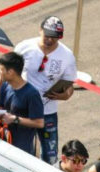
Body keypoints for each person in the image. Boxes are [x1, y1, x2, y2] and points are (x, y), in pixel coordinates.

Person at [7, 15, 76, 164]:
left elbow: (70, 85)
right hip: (23, 108)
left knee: (50, 157)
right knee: (20, 152)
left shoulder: (67, 56)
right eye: (47, 35)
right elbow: (6, 73)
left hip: (48, 111)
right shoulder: (24, 47)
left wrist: (65, 95)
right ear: (40, 30)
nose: (50, 40)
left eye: (54, 37)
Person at [0, 50, 44, 159]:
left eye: (1, 69)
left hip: (22, 150)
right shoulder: (5, 86)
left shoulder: (32, 94)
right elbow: (2, 107)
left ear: (10, 72)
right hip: (3, 142)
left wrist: (14, 119)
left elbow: (39, 123)